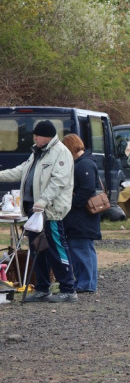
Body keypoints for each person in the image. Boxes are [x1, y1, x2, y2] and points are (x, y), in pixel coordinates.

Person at [0, 120, 77, 302]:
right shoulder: (37, 152)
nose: (34, 138)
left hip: (49, 212)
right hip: (34, 213)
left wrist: (43, 201)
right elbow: (21, 171)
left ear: (47, 136)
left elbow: (59, 181)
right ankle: (42, 288)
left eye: (37, 135)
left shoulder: (61, 153)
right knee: (37, 250)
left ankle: (68, 289)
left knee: (57, 249)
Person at [61, 133, 101, 294]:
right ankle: (87, 282)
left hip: (81, 216)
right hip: (83, 215)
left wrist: (73, 204)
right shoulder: (86, 162)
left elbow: (87, 189)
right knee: (85, 249)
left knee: (80, 248)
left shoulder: (83, 164)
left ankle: (86, 283)